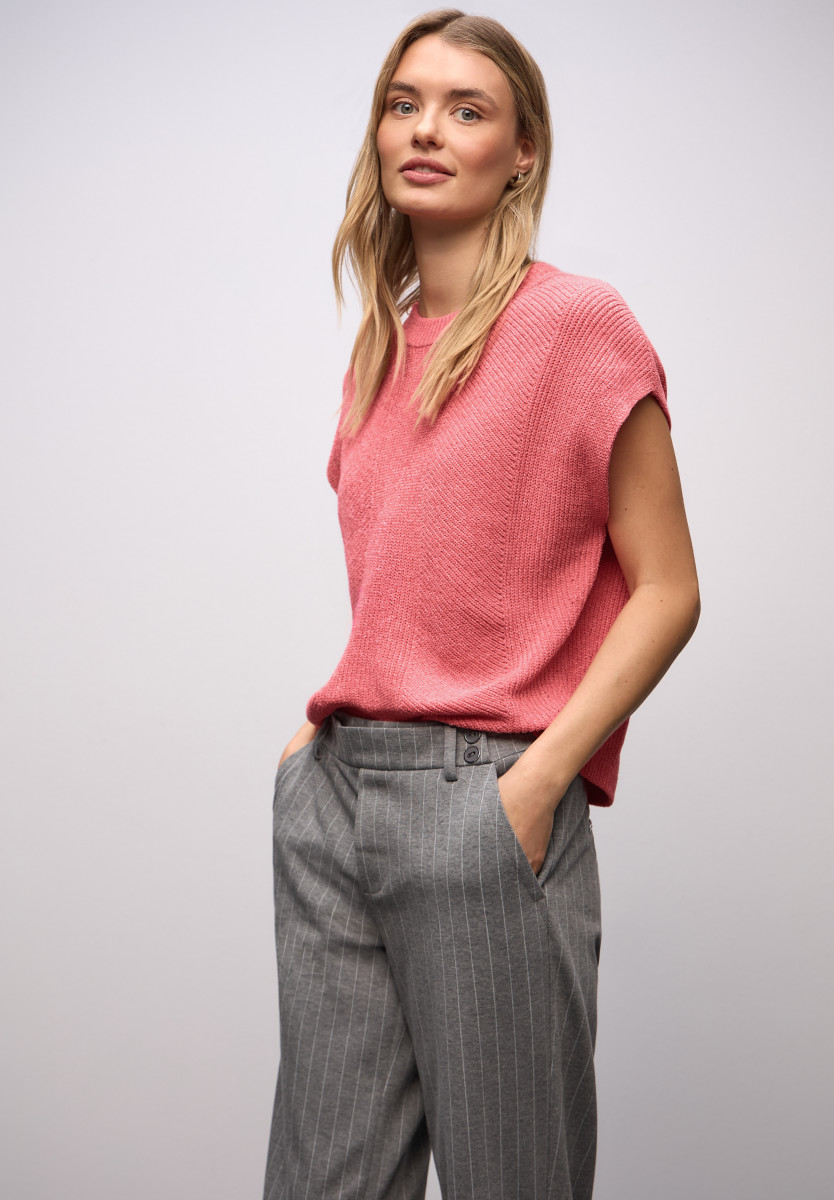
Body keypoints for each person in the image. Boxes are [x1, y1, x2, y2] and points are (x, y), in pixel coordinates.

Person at [263, 9, 700, 1199]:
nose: (427, 130)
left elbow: (668, 588)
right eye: (404, 103)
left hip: (484, 799)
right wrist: (318, 740)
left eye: (467, 110)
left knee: (514, 1179)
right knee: (324, 1181)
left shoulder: (576, 325)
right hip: (336, 798)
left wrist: (539, 779)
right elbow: (418, 584)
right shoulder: (379, 349)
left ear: (522, 152)